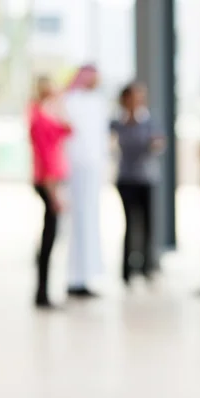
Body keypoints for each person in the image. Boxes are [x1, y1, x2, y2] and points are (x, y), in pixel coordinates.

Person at [63, 65, 110, 297]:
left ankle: (87, 275)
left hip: (92, 172)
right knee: (77, 224)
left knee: (90, 223)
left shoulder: (97, 102)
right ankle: (75, 277)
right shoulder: (71, 101)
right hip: (76, 170)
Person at [111, 82, 164, 284]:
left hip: (146, 178)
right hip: (126, 179)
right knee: (129, 224)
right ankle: (127, 270)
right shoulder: (119, 122)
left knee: (147, 224)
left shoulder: (150, 120)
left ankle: (146, 267)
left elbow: (157, 144)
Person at [28, 76, 71, 309]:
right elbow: (45, 160)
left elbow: (68, 129)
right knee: (48, 239)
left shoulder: (45, 116)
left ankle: (43, 291)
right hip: (48, 183)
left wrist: (60, 105)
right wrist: (54, 193)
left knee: (50, 236)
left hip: (51, 182)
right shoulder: (39, 120)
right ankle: (42, 292)